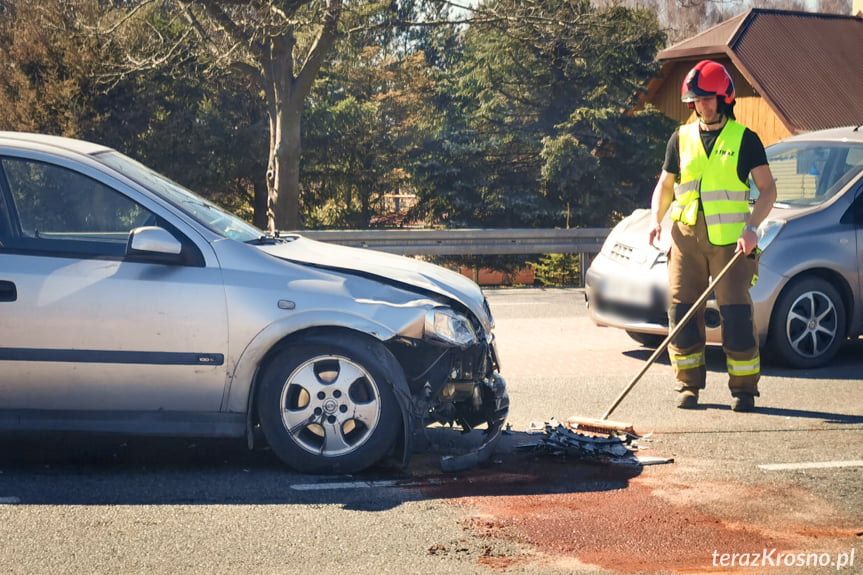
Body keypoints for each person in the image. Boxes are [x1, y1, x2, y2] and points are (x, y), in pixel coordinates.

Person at [648, 60, 777, 412]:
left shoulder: (745, 140)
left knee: (735, 316)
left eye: (706, 99)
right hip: (685, 238)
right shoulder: (681, 138)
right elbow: (666, 184)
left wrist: (752, 229)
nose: (700, 106)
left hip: (731, 243)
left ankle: (744, 390)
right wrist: (656, 219)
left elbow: (767, 190)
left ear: (724, 98)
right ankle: (688, 386)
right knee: (681, 312)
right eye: (695, 101)